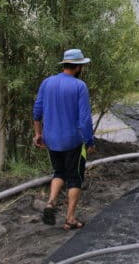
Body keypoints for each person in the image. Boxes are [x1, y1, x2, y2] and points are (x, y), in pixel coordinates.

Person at [33, 48, 95, 231]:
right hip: (73, 141)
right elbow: (84, 119)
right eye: (82, 65)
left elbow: (37, 110)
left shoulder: (47, 83)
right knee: (75, 178)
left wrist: (38, 134)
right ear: (77, 67)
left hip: (51, 139)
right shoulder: (79, 86)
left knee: (58, 172)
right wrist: (89, 141)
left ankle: (51, 203)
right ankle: (70, 219)